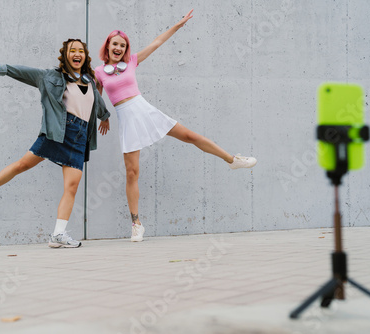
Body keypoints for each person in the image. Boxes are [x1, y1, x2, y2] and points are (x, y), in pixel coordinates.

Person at [94, 10, 257, 242]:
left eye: (122, 45)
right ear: (108, 46)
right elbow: (97, 98)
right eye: (115, 44)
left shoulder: (132, 61)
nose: (118, 48)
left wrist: (178, 25)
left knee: (189, 136)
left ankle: (232, 160)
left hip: (145, 110)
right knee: (132, 173)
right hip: (126, 118)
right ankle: (136, 223)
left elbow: (157, 42)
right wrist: (104, 117)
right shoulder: (99, 72)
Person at [0, 39, 111, 248]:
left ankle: (58, 235)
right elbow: (25, 72)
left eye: (81, 50)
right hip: (58, 131)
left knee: (71, 187)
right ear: (65, 54)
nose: (77, 54)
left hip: (79, 138)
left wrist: (105, 116)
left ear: (85, 56)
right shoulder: (50, 76)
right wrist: (0, 68)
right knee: (22, 165)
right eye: (73, 50)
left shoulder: (89, 80)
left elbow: (96, 101)